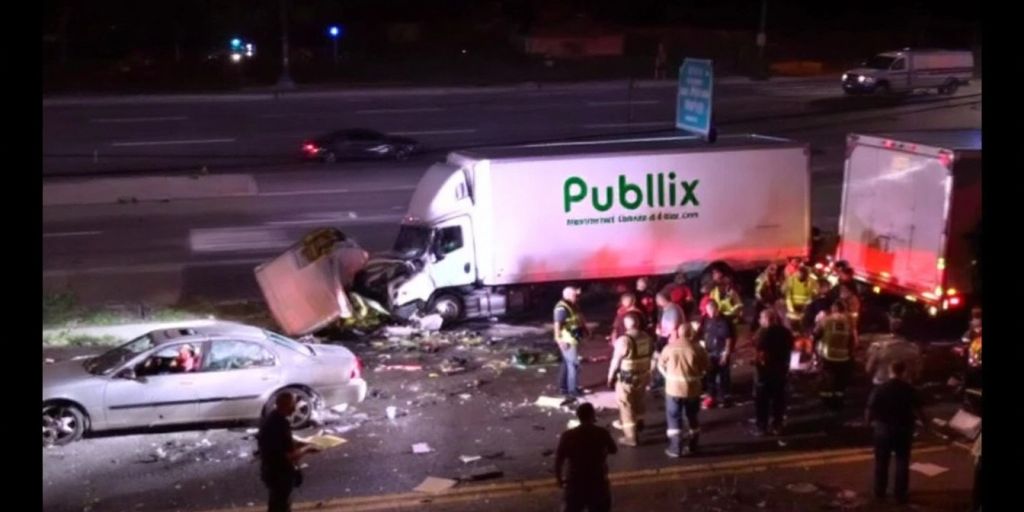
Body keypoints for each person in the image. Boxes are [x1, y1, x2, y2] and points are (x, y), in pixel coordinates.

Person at [866, 361, 925, 505]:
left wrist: (868, 423)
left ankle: (879, 491)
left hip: (883, 430)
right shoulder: (909, 389)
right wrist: (925, 424)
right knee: (902, 462)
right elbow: (918, 410)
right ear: (903, 372)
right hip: (903, 430)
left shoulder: (880, 389)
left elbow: (870, 408)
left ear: (890, 371)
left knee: (881, 462)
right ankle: (900, 494)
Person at [258, 393, 319, 512]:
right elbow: (288, 456)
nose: (295, 407)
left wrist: (302, 443)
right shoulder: (279, 424)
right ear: (286, 405)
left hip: (271, 471)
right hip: (280, 474)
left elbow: (284, 442)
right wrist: (307, 449)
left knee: (277, 504)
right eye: (293, 404)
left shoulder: (273, 419)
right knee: (281, 505)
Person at [659, 321, 710, 457]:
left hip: (673, 390)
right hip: (693, 390)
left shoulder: (669, 348)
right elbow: (706, 367)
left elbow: (660, 365)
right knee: (692, 417)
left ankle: (675, 449)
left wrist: (668, 377)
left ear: (678, 333)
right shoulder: (697, 348)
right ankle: (693, 446)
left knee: (674, 418)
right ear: (691, 333)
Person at [555, 403, 617, 512]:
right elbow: (613, 450)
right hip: (597, 481)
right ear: (592, 415)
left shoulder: (568, 435)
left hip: (575, 482)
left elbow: (559, 460)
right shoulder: (601, 432)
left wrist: (559, 478)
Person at [607, 313, 654, 446]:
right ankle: (639, 425)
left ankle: (631, 437)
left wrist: (610, 377)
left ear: (626, 325)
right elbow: (651, 354)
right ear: (637, 324)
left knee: (626, 404)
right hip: (643, 374)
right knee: (639, 400)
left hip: (628, 376)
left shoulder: (624, 340)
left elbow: (616, 361)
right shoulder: (646, 337)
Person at [751, 309, 795, 436]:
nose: (760, 321)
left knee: (762, 401)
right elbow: (790, 348)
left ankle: (762, 427)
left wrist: (755, 362)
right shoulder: (786, 332)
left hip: (764, 373)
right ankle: (777, 425)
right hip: (781, 371)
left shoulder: (763, 333)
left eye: (761, 318)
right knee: (778, 400)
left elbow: (760, 353)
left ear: (767, 319)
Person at [816, 300, 856, 416]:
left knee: (827, 382)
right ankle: (838, 404)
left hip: (828, 356)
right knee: (840, 382)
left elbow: (816, 334)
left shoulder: (827, 320)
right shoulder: (849, 322)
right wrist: (851, 354)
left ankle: (827, 404)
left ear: (833, 309)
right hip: (843, 357)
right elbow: (853, 340)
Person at [697, 300, 735, 409]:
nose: (710, 312)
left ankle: (726, 397)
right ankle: (712, 397)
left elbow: (728, 338)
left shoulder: (724, 321)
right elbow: (702, 333)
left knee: (724, 376)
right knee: (710, 376)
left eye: (712, 309)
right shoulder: (706, 319)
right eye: (708, 310)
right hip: (710, 353)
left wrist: (726, 353)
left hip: (721, 352)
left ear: (717, 308)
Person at [554, 286, 588, 401]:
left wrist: (585, 329)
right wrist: (559, 340)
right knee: (574, 365)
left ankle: (563, 387)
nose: (576, 298)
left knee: (566, 363)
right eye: (574, 295)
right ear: (567, 295)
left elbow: (578, 318)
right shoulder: (562, 308)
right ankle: (572, 390)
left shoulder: (572, 305)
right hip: (567, 340)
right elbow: (557, 325)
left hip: (573, 338)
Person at [866, 316, 921, 387]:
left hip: (881, 386)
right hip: (904, 388)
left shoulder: (878, 348)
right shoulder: (914, 349)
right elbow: (917, 374)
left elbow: (868, 369)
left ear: (890, 329)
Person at [754, 263, 783, 330]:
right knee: (759, 316)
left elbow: (775, 288)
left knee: (774, 315)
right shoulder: (762, 279)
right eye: (773, 271)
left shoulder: (773, 278)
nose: (774, 273)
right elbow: (759, 291)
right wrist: (763, 300)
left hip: (771, 300)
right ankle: (756, 329)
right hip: (763, 301)